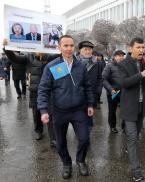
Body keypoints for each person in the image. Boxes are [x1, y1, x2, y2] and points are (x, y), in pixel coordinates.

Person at [37, 35, 95, 179]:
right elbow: (43, 89)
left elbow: (87, 87)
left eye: (71, 46)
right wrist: (43, 110)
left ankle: (80, 160)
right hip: (59, 111)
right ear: (59, 48)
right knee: (60, 141)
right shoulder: (53, 66)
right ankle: (66, 163)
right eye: (65, 46)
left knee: (84, 138)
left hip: (78, 110)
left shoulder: (80, 66)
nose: (69, 49)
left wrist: (90, 104)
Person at [3, 40, 58, 144]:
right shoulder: (28, 56)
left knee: (51, 113)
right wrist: (6, 48)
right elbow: (14, 58)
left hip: (49, 91)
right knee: (36, 113)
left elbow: (61, 55)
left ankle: (53, 138)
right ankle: (38, 131)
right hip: (35, 91)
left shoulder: (51, 57)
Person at [118, 37, 145, 182]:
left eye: (143, 48)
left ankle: (129, 146)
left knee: (135, 135)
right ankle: (136, 170)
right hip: (129, 107)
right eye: (138, 47)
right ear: (131, 48)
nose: (141, 50)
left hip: (142, 106)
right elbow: (124, 83)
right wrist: (141, 75)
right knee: (133, 138)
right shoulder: (123, 64)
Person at [76, 41, 103, 133]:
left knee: (89, 116)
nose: (88, 52)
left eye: (90, 50)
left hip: (91, 95)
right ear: (80, 51)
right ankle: (80, 133)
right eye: (85, 49)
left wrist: (98, 90)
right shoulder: (74, 62)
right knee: (78, 116)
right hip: (77, 95)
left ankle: (86, 134)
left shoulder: (97, 63)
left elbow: (100, 78)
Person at [102, 50, 126, 133]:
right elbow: (104, 79)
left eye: (122, 56)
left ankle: (124, 126)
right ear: (115, 56)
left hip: (124, 93)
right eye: (119, 55)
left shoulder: (125, 66)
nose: (121, 57)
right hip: (113, 92)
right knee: (112, 111)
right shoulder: (109, 66)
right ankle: (112, 126)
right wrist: (110, 89)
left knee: (125, 110)